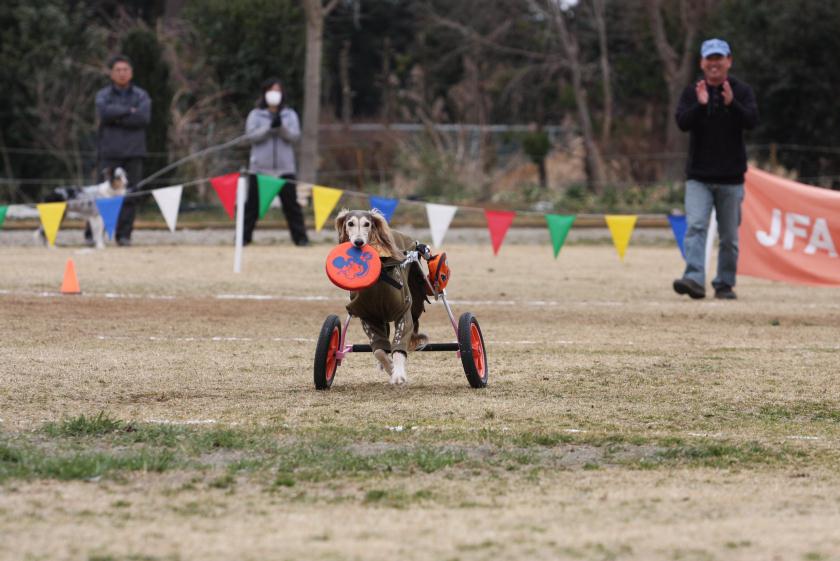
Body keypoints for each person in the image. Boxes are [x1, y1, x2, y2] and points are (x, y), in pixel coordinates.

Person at [672, 38, 758, 300]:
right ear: (702, 62)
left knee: (729, 237)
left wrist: (733, 104)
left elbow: (752, 121)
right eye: (709, 59)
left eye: (719, 58)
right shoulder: (692, 92)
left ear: (729, 61)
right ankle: (695, 279)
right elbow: (682, 123)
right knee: (696, 226)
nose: (714, 64)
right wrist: (699, 105)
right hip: (698, 177)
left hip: (732, 179)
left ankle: (724, 283)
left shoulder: (741, 91)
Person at [244, 78, 309, 246]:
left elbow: (295, 136)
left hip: (284, 168)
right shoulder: (255, 115)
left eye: (278, 90)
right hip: (260, 169)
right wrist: (268, 128)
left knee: (292, 207)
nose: (275, 94)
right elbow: (251, 137)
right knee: (252, 206)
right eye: (271, 90)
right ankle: (243, 238)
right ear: (265, 93)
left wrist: (281, 127)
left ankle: (300, 238)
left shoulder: (290, 114)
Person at [95, 54, 151, 246]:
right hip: (109, 151)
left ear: (131, 73)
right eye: (118, 70)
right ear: (111, 73)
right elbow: (104, 113)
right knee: (102, 195)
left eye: (125, 70)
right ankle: (96, 234)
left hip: (134, 152)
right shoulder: (103, 95)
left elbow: (143, 118)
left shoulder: (141, 95)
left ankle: (124, 235)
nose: (122, 73)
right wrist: (129, 111)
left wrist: (116, 115)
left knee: (130, 195)